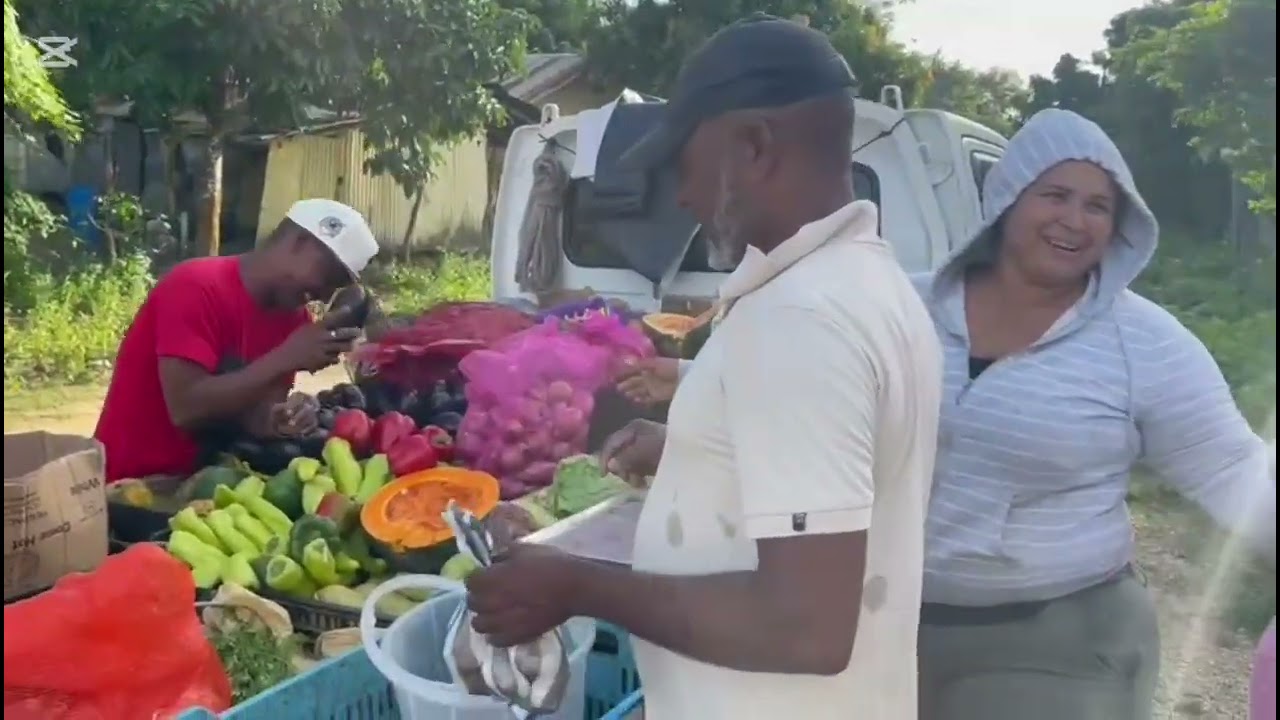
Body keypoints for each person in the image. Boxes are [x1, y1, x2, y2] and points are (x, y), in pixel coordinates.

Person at [465, 15, 943, 719]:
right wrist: (690, 444)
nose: (680, 198)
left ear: (752, 146)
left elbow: (804, 627)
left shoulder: (805, 319)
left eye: (682, 164)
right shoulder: (858, 284)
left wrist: (576, 587)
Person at [913, 109, 1275, 720]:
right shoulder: (903, 305)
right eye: (1055, 195)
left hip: (1060, 640)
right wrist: (694, 377)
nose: (1074, 221)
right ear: (1008, 196)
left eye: (1097, 207)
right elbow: (798, 392)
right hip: (885, 626)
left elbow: (1234, 468)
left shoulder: (1146, 343)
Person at [94, 199, 379, 483]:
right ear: (299, 243)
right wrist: (286, 356)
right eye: (328, 276)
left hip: (204, 487)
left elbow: (254, 416)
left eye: (335, 287)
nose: (323, 293)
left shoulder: (294, 320)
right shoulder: (194, 286)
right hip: (130, 487)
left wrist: (283, 420)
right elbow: (185, 409)